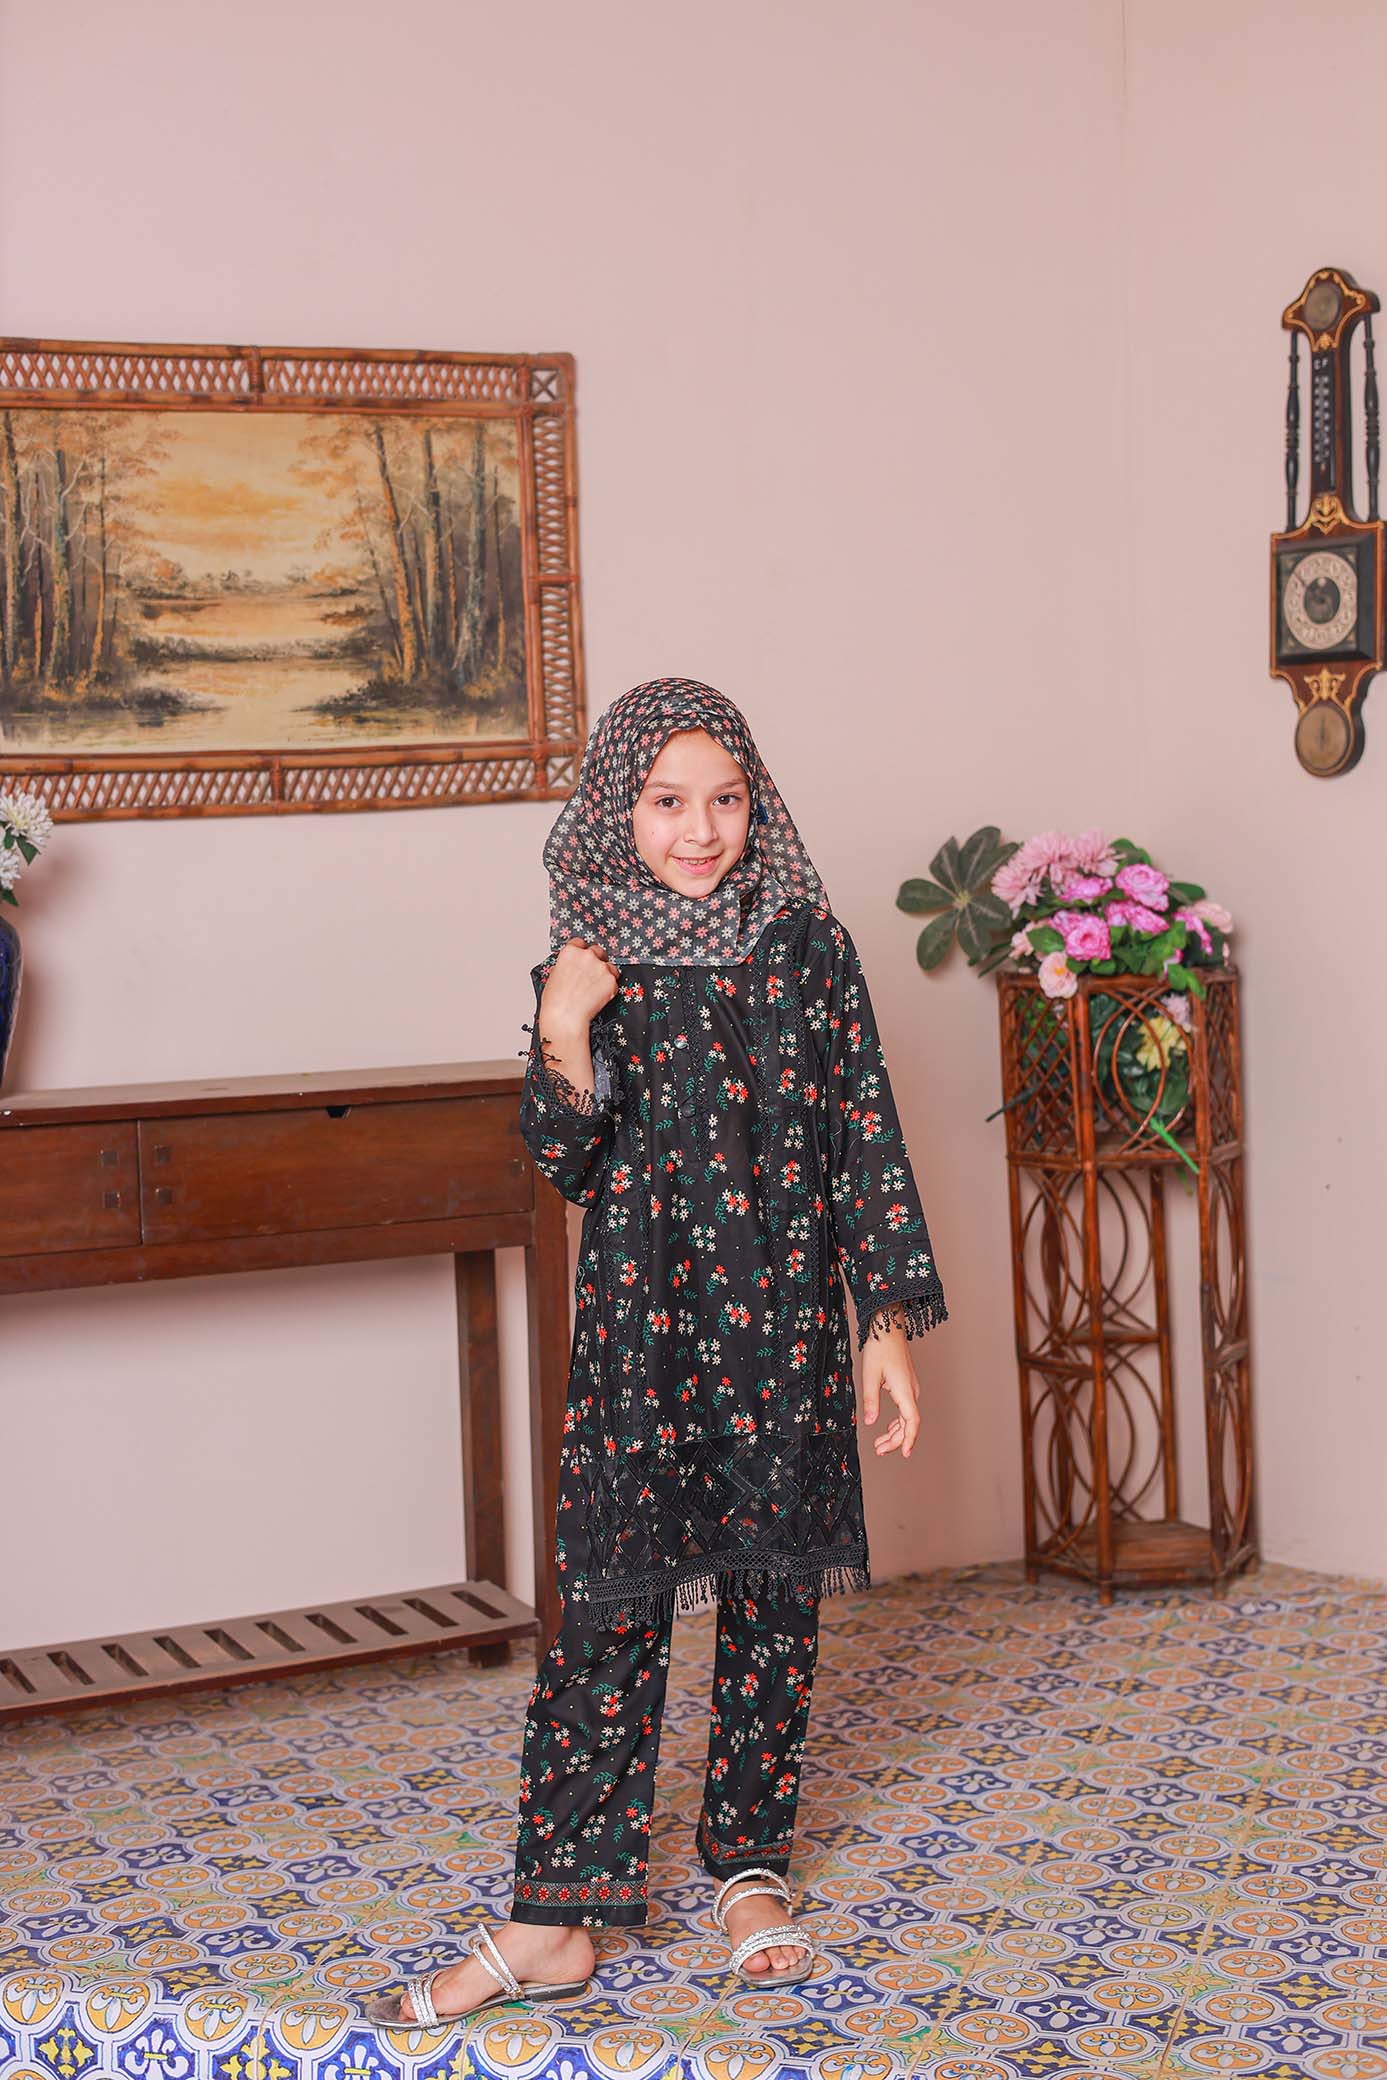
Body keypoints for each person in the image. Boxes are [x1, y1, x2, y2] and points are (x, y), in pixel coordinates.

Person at [365, 678, 948, 2026]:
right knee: (605, 1611)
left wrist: (884, 1328)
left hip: (786, 1324)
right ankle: (555, 1920)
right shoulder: (589, 956)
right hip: (644, 1333)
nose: (701, 831)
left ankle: (748, 1866)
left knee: (773, 1603)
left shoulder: (806, 945)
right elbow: (565, 1158)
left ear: (758, 804)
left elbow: (863, 1130)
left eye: (726, 800)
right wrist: (565, 1025)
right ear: (619, 810)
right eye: (669, 802)